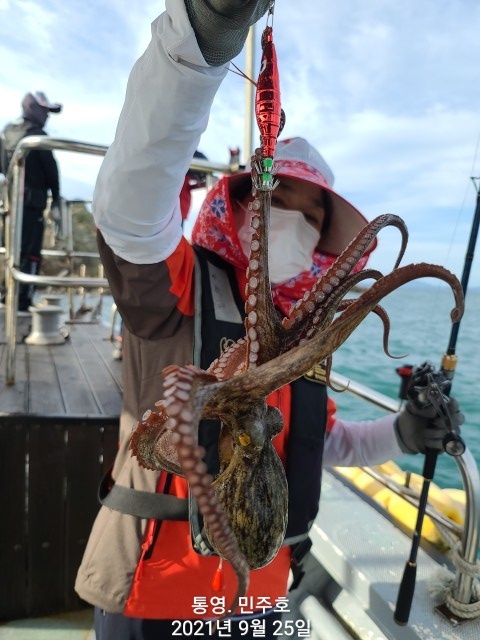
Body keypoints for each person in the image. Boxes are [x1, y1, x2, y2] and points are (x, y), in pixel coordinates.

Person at [75, 2, 464, 639]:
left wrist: (404, 432)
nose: (292, 220)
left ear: (324, 241)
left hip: (261, 599)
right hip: (155, 593)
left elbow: (320, 444)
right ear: (237, 206)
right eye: (276, 196)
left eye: (311, 215)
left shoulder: (306, 338)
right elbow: (131, 212)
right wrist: (200, 45)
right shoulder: (177, 284)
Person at [0, 91, 62, 310]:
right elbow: (52, 173)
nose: (47, 116)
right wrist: (56, 199)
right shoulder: (38, 136)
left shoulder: (7, 131)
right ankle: (23, 300)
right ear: (33, 109)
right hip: (32, 205)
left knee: (10, 250)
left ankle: (6, 295)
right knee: (31, 253)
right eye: (45, 111)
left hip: (9, 205)